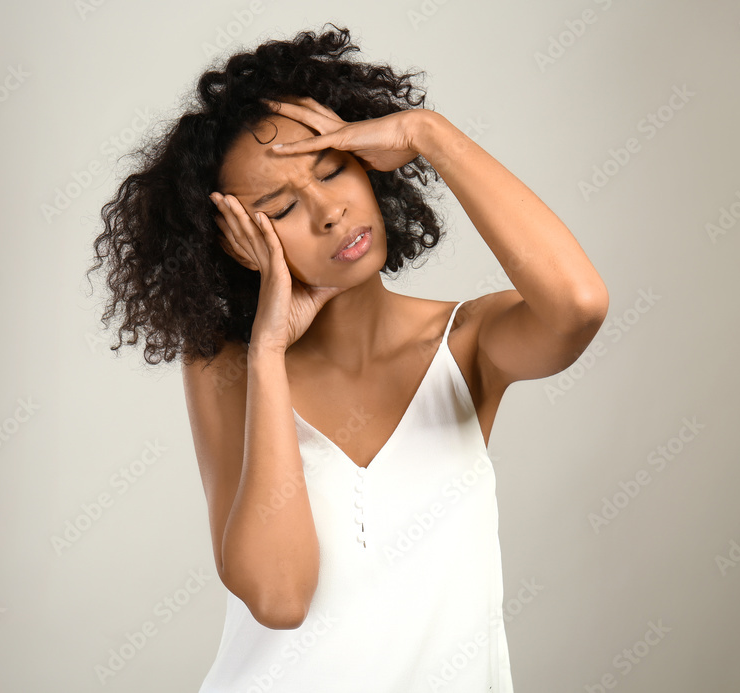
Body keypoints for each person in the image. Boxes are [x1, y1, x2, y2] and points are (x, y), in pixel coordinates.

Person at [89, 23, 608, 692]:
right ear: (235, 245)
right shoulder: (225, 366)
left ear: (370, 166)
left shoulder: (467, 342)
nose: (330, 211)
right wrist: (270, 353)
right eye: (281, 207)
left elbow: (579, 304)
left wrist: (429, 134)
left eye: (333, 168)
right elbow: (280, 595)